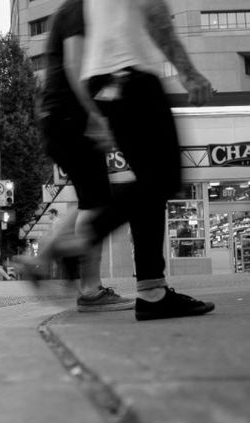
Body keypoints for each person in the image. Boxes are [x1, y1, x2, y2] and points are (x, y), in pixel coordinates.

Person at [39, 0, 215, 321]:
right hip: (131, 76)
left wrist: (94, 111)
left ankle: (152, 292)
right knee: (163, 179)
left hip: (106, 80)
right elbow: (155, 12)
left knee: (150, 182)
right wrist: (189, 73)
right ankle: (80, 242)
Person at [24, 0, 134, 312]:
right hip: (69, 118)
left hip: (61, 118)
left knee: (92, 197)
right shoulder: (78, 11)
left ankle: (46, 255)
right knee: (98, 201)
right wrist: (94, 113)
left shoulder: (77, 11)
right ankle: (89, 287)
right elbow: (75, 65)